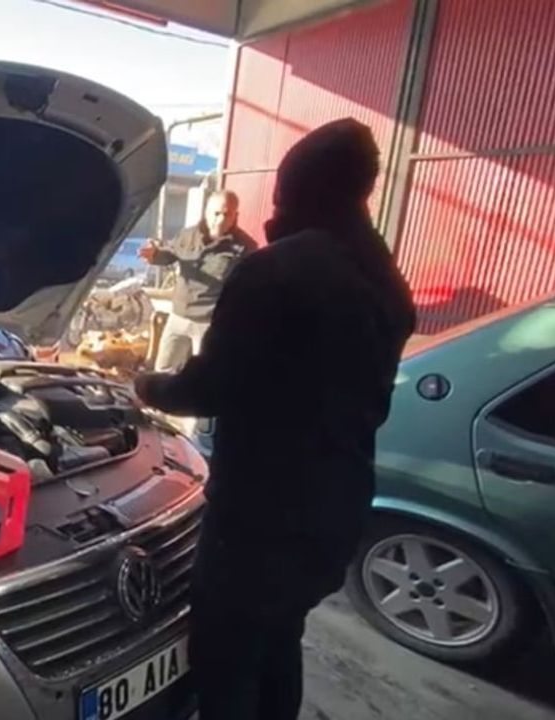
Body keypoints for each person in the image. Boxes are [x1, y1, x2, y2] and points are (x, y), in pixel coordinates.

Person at [134, 119, 416, 720]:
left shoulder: (277, 269)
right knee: (279, 641)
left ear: (296, 187)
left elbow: (209, 387)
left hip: (261, 518)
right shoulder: (382, 276)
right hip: (338, 505)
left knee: (227, 663)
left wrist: (145, 385)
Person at [139, 191, 256, 373]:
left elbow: (248, 288)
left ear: (235, 216)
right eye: (216, 213)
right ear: (206, 212)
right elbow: (169, 254)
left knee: (202, 376)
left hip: (209, 324)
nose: (220, 220)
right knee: (163, 370)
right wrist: (154, 255)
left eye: (227, 214)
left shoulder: (245, 247)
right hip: (179, 316)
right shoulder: (188, 235)